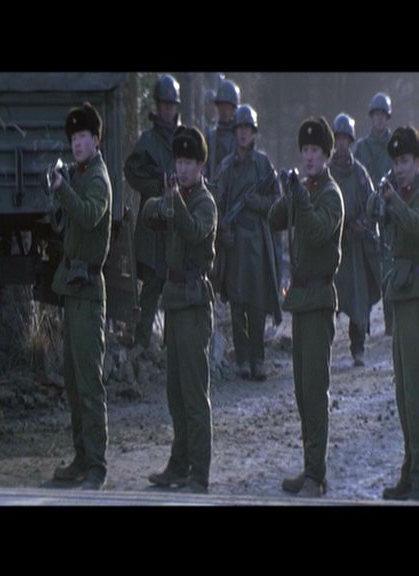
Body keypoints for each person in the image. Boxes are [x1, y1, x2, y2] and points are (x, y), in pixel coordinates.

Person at [269, 117, 344, 498]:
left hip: (318, 299)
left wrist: (299, 195)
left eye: (315, 151)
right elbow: (275, 219)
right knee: (302, 391)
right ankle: (310, 467)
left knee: (315, 390)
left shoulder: (330, 194)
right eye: (305, 151)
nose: (309, 157)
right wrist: (289, 190)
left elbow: (315, 233)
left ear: (327, 156)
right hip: (301, 301)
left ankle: (317, 475)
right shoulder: (306, 189)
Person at [367, 126, 419, 502]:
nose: (400, 168)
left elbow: (417, 226)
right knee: (403, 395)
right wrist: (381, 196)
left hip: (418, 300)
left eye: (406, 161)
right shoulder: (400, 192)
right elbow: (372, 211)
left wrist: (394, 200)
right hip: (401, 298)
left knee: (417, 395)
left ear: (418, 162)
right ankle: (409, 473)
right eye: (396, 162)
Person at [143, 126, 217, 494]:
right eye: (179, 161)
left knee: (193, 393)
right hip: (174, 300)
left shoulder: (204, 202)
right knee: (175, 392)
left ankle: (199, 473)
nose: (183, 168)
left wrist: (175, 203)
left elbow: (193, 231)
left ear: (201, 166)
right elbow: (149, 214)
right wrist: (165, 202)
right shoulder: (176, 196)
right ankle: (179, 463)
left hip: (193, 301)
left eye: (190, 162)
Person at [49, 102, 112, 491]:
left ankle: (97, 466)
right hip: (72, 287)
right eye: (73, 138)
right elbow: (65, 222)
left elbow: (89, 215)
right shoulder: (78, 175)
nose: (77, 144)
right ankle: (81, 457)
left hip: (88, 290)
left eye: (83, 136)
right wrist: (59, 192)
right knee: (73, 382)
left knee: (89, 383)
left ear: (96, 139)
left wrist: (65, 191)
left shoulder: (98, 179)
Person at [212, 104, 281, 380]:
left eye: (247, 129)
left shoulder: (263, 165)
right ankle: (242, 359)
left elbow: (277, 203)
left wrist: (257, 203)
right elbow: (217, 204)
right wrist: (222, 231)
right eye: (239, 129)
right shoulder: (226, 167)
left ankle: (258, 359)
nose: (243, 134)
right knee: (237, 303)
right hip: (234, 245)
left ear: (254, 133)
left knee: (257, 303)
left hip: (258, 245)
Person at [124, 74, 180, 355]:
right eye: (163, 104)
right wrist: (157, 186)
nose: (167, 109)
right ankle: (142, 341)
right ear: (157, 106)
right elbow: (132, 172)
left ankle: (173, 345)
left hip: (179, 222)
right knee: (152, 284)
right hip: (154, 221)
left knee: (176, 284)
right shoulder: (147, 141)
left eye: (171, 105)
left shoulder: (185, 139)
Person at [330, 112, 380, 367]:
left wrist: (364, 223)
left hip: (356, 246)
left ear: (350, 141)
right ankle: (324, 347)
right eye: (337, 139)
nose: (341, 144)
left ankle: (357, 347)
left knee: (359, 301)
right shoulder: (327, 171)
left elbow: (372, 204)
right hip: (333, 245)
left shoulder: (360, 173)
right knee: (328, 300)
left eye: (345, 139)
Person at [356, 92, 394, 335]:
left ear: (387, 118)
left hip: (390, 215)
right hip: (368, 216)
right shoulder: (362, 147)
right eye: (376, 115)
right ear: (371, 117)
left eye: (383, 116)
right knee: (366, 270)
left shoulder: (395, 146)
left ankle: (391, 322)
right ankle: (364, 324)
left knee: (389, 268)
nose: (379, 119)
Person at [205, 79, 241, 181]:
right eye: (221, 106)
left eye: (227, 106)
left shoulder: (240, 137)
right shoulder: (211, 137)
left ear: (234, 108)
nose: (224, 110)